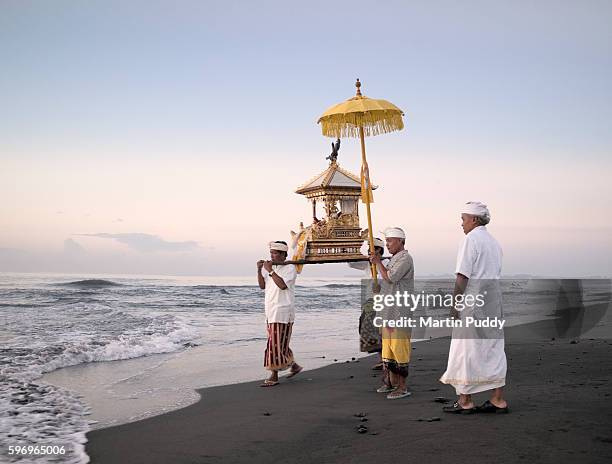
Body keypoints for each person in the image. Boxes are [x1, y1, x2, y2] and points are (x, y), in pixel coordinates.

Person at [440, 202, 509, 413]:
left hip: (474, 300)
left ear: (474, 219)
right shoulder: (494, 243)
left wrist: (455, 305)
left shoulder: (470, 240)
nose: (461, 223)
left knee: (465, 349)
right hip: (492, 301)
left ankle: (465, 400)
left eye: (463, 219)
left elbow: (463, 275)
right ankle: (498, 399)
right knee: (493, 348)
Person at [370, 227, 414, 400]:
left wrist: (378, 262)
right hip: (387, 310)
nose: (387, 244)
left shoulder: (406, 259)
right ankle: (390, 382)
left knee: (399, 349)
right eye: (386, 241)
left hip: (399, 312)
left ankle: (402, 387)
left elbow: (392, 278)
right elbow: (386, 282)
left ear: (401, 241)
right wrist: (377, 287)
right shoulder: (393, 259)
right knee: (388, 350)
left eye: (390, 241)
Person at [257, 241, 303, 387]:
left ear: (284, 255)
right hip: (270, 310)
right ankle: (294, 366)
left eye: (276, 253)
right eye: (271, 253)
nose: (272, 256)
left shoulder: (290, 268)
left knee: (274, 344)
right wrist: (260, 270)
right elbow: (262, 286)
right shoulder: (269, 268)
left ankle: (274, 376)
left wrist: (270, 271)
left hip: (283, 310)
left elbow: (282, 285)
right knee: (279, 342)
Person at [348, 238, 388, 366]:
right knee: (365, 326)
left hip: (382, 300)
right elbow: (351, 263)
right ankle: (382, 357)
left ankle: (386, 358)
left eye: (371, 248)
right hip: (369, 300)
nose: (368, 250)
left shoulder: (386, 262)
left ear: (378, 250)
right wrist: (355, 246)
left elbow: (387, 278)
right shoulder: (367, 263)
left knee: (379, 329)